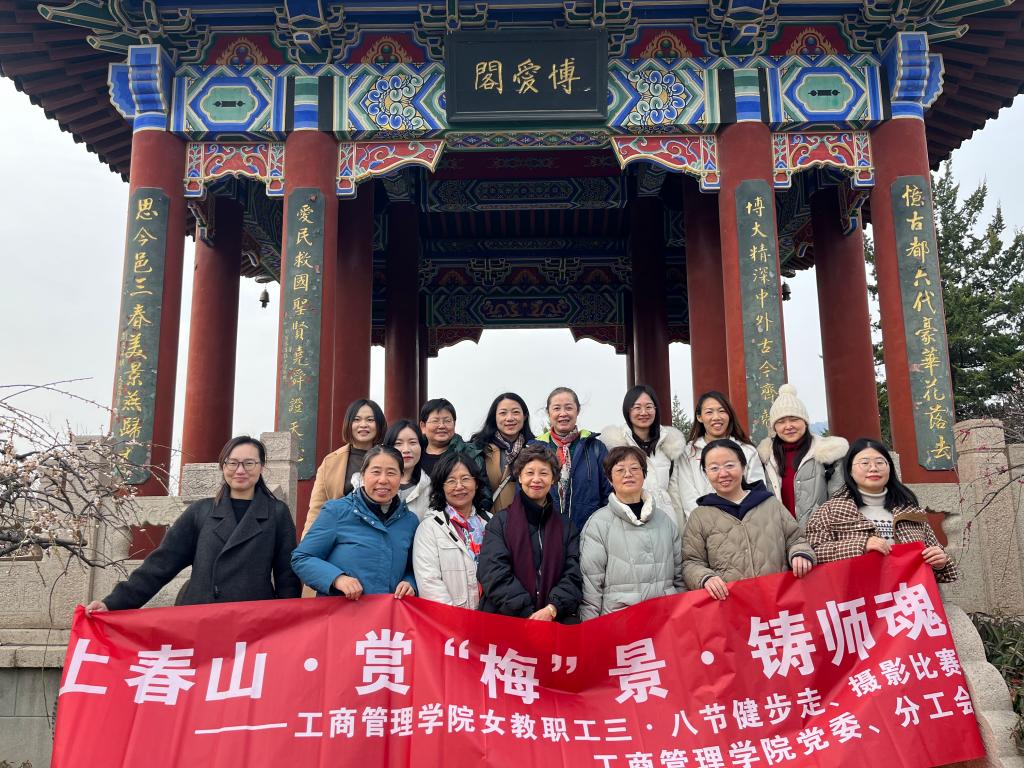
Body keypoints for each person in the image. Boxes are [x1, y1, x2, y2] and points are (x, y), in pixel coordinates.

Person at [85, 436, 300, 613]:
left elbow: (287, 577)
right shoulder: (201, 512)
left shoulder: (276, 513)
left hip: (253, 619)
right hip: (200, 617)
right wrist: (112, 604)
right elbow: (161, 564)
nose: (240, 470)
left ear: (261, 467)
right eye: (232, 463)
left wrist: (286, 621)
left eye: (249, 463)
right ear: (223, 466)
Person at [805, 438, 958, 581]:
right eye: (864, 463)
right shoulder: (830, 511)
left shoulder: (910, 510)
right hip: (856, 596)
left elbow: (935, 557)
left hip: (906, 596)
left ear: (889, 467)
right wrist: (860, 546)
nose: (873, 468)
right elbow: (814, 553)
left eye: (880, 462)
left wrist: (940, 562)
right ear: (849, 470)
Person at [682, 440, 814, 600]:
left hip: (777, 599)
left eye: (729, 465)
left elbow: (796, 539)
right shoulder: (700, 516)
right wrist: (705, 578)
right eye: (714, 468)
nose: (723, 474)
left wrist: (799, 554)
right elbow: (691, 562)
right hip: (730, 604)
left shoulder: (770, 504)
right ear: (705, 473)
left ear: (743, 466)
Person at [291, 446, 417, 599]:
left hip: (388, 611)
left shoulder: (409, 521)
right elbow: (302, 558)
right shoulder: (337, 511)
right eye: (376, 472)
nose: (383, 480)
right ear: (363, 475)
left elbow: (415, 568)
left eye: (391, 473)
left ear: (401, 477)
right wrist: (337, 578)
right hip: (342, 611)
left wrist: (410, 583)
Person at [477, 444, 582, 622]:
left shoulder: (566, 527)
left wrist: (552, 608)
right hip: (507, 620)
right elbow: (493, 572)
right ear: (519, 477)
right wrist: (528, 613)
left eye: (544, 473)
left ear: (553, 479)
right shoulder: (499, 523)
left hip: (555, 619)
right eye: (529, 473)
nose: (536, 479)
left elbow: (573, 574)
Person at [579, 446, 684, 620]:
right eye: (620, 470)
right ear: (610, 479)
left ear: (644, 474)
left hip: (665, 620)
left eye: (635, 468)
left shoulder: (664, 521)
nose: (628, 474)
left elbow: (679, 578)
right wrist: (590, 630)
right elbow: (591, 588)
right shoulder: (598, 524)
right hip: (620, 622)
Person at [757, 384, 848, 527]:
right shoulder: (764, 457)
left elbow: (840, 500)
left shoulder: (828, 453)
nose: (788, 426)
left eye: (794, 419)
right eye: (781, 422)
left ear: (805, 422)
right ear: (774, 427)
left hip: (819, 533)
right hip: (780, 534)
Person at [412, 453, 491, 608]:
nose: (459, 486)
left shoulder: (491, 522)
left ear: (476, 483)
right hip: (450, 618)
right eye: (451, 481)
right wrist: (454, 618)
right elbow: (429, 583)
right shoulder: (430, 527)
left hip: (490, 616)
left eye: (465, 479)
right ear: (441, 487)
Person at [600, 384, 686, 525]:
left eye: (649, 407)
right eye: (637, 407)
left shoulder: (670, 446)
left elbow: (675, 493)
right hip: (629, 521)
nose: (644, 412)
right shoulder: (615, 447)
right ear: (628, 410)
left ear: (656, 409)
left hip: (665, 520)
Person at [302, 398, 386, 537]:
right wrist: (307, 542)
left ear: (379, 424)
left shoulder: (390, 458)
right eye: (357, 420)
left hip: (378, 532)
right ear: (348, 424)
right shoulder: (331, 462)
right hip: (339, 534)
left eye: (370, 420)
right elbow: (316, 509)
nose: (363, 425)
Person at [532, 386, 613, 530]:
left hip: (588, 533)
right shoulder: (534, 449)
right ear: (548, 412)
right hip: (545, 533)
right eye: (557, 408)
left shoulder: (595, 448)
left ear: (578, 411)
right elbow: (523, 497)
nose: (563, 413)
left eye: (568, 408)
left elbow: (609, 494)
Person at [679, 390, 765, 520]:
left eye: (722, 411)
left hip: (743, 522)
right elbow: (688, 496)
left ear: (729, 415)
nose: (716, 417)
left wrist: (738, 522)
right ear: (699, 417)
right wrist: (707, 523)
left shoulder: (748, 451)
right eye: (709, 412)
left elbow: (756, 492)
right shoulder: (688, 453)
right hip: (705, 524)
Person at [418, 398, 492, 512]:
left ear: (454, 424)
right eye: (435, 421)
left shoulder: (470, 454)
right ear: (423, 426)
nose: (441, 426)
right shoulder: (414, 456)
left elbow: (484, 496)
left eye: (447, 421)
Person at [470, 392, 535, 514]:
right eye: (503, 413)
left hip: (525, 521)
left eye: (515, 412)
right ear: (494, 417)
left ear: (525, 416)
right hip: (489, 521)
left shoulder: (535, 449)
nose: (509, 418)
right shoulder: (478, 449)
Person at [380, 419, 432, 520]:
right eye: (398, 443)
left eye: (412, 442)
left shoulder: (430, 490)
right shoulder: (370, 483)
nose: (406, 450)